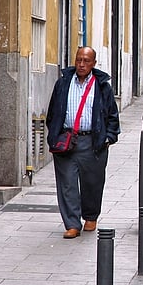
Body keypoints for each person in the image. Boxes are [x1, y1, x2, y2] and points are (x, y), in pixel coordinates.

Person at [45, 46, 121, 238]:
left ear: (93, 64)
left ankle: (90, 215)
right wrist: (54, 135)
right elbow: (52, 112)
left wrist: (108, 138)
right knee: (67, 184)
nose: (81, 64)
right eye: (79, 59)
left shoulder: (102, 86)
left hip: (93, 142)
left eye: (86, 61)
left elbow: (112, 115)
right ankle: (72, 223)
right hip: (66, 141)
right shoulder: (63, 83)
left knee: (92, 183)